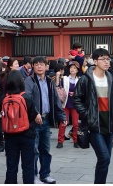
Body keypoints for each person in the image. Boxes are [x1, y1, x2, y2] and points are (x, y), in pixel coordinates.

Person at [73, 48, 113, 184]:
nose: (106, 62)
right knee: (104, 158)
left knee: (106, 159)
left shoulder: (112, 79)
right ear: (95, 61)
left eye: (108, 59)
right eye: (103, 59)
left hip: (109, 124)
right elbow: (77, 99)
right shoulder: (86, 79)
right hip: (94, 125)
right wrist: (87, 115)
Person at [24, 56, 65, 184]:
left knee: (45, 149)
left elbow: (55, 100)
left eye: (42, 64)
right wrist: (35, 113)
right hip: (34, 120)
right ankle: (33, 176)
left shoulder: (48, 81)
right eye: (36, 64)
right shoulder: (29, 81)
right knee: (34, 150)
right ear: (33, 66)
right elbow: (27, 99)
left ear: (47, 66)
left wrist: (61, 116)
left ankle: (45, 174)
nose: (39, 67)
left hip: (46, 119)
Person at [2, 70, 37, 185]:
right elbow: (33, 116)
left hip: (10, 136)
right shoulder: (26, 97)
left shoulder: (4, 98)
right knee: (28, 166)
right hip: (26, 135)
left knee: (11, 166)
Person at [59, 60, 82, 148]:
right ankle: (60, 141)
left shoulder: (79, 80)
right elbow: (59, 88)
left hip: (75, 105)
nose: (72, 69)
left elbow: (82, 92)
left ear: (77, 70)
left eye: (74, 68)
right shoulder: (64, 79)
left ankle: (76, 140)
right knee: (63, 122)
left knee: (76, 124)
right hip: (65, 103)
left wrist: (75, 94)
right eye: (71, 68)